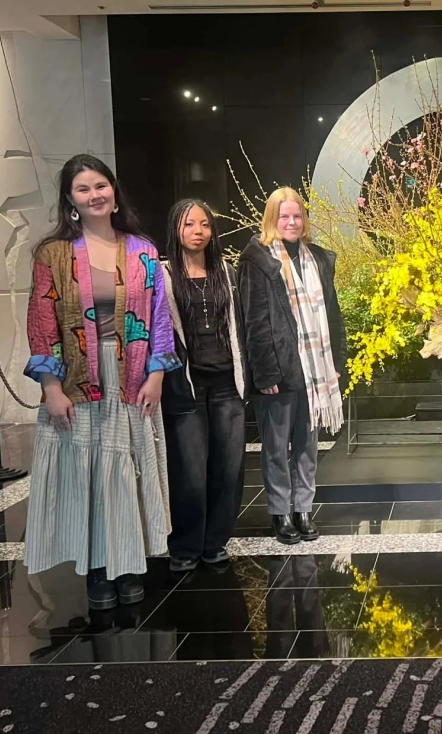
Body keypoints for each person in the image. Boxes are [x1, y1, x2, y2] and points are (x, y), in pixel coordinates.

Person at [24, 154, 180, 609]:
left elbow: (159, 319)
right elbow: (42, 324)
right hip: (76, 381)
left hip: (131, 378)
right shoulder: (51, 253)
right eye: (83, 189)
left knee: (127, 471)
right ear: (70, 200)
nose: (94, 195)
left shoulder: (142, 250)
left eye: (100, 186)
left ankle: (129, 563)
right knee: (88, 473)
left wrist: (157, 376)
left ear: (114, 191)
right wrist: (51, 389)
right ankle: (97, 570)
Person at [239, 187, 346, 545]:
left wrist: (336, 363)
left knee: (307, 445)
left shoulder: (318, 258)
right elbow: (253, 321)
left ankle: (303, 509)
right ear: (272, 219)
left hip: (315, 370)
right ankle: (280, 513)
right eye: (284, 216)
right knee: (275, 446)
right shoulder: (258, 260)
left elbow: (332, 316)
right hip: (279, 369)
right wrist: (265, 372)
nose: (292, 222)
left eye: (297, 216)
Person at [161, 199, 247, 573]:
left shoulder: (226, 272)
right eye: (189, 224)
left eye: (205, 224)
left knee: (229, 468)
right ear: (176, 230)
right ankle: (185, 545)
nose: (198, 231)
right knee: (190, 471)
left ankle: (215, 542)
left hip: (228, 383)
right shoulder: (162, 275)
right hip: (186, 386)